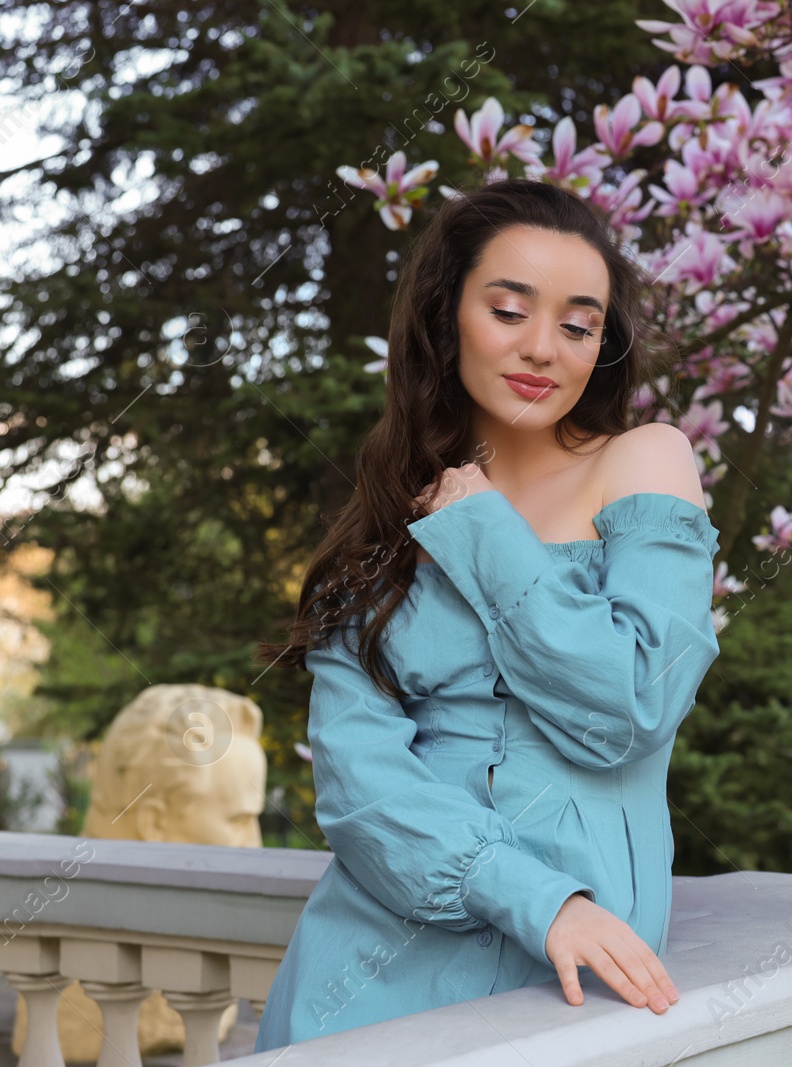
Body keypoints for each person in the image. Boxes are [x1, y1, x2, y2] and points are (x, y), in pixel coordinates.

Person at [252, 177, 720, 1051]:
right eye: (509, 310)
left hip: (572, 970)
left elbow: (633, 707)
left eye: (578, 326)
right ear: (446, 318)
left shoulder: (643, 461)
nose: (543, 347)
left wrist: (483, 535)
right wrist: (532, 899)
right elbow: (359, 787)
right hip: (365, 959)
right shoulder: (385, 531)